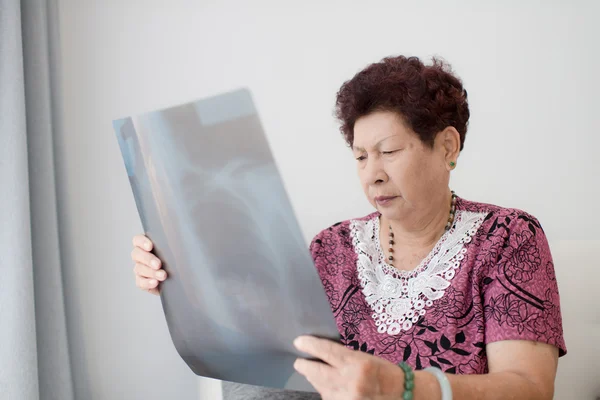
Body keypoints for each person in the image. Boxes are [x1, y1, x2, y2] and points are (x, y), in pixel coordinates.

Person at [130, 55, 566, 400]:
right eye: (360, 156)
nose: (372, 174)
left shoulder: (509, 237)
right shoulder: (332, 248)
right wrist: (176, 277)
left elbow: (529, 388)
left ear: (447, 146)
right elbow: (266, 350)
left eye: (389, 151)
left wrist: (404, 389)